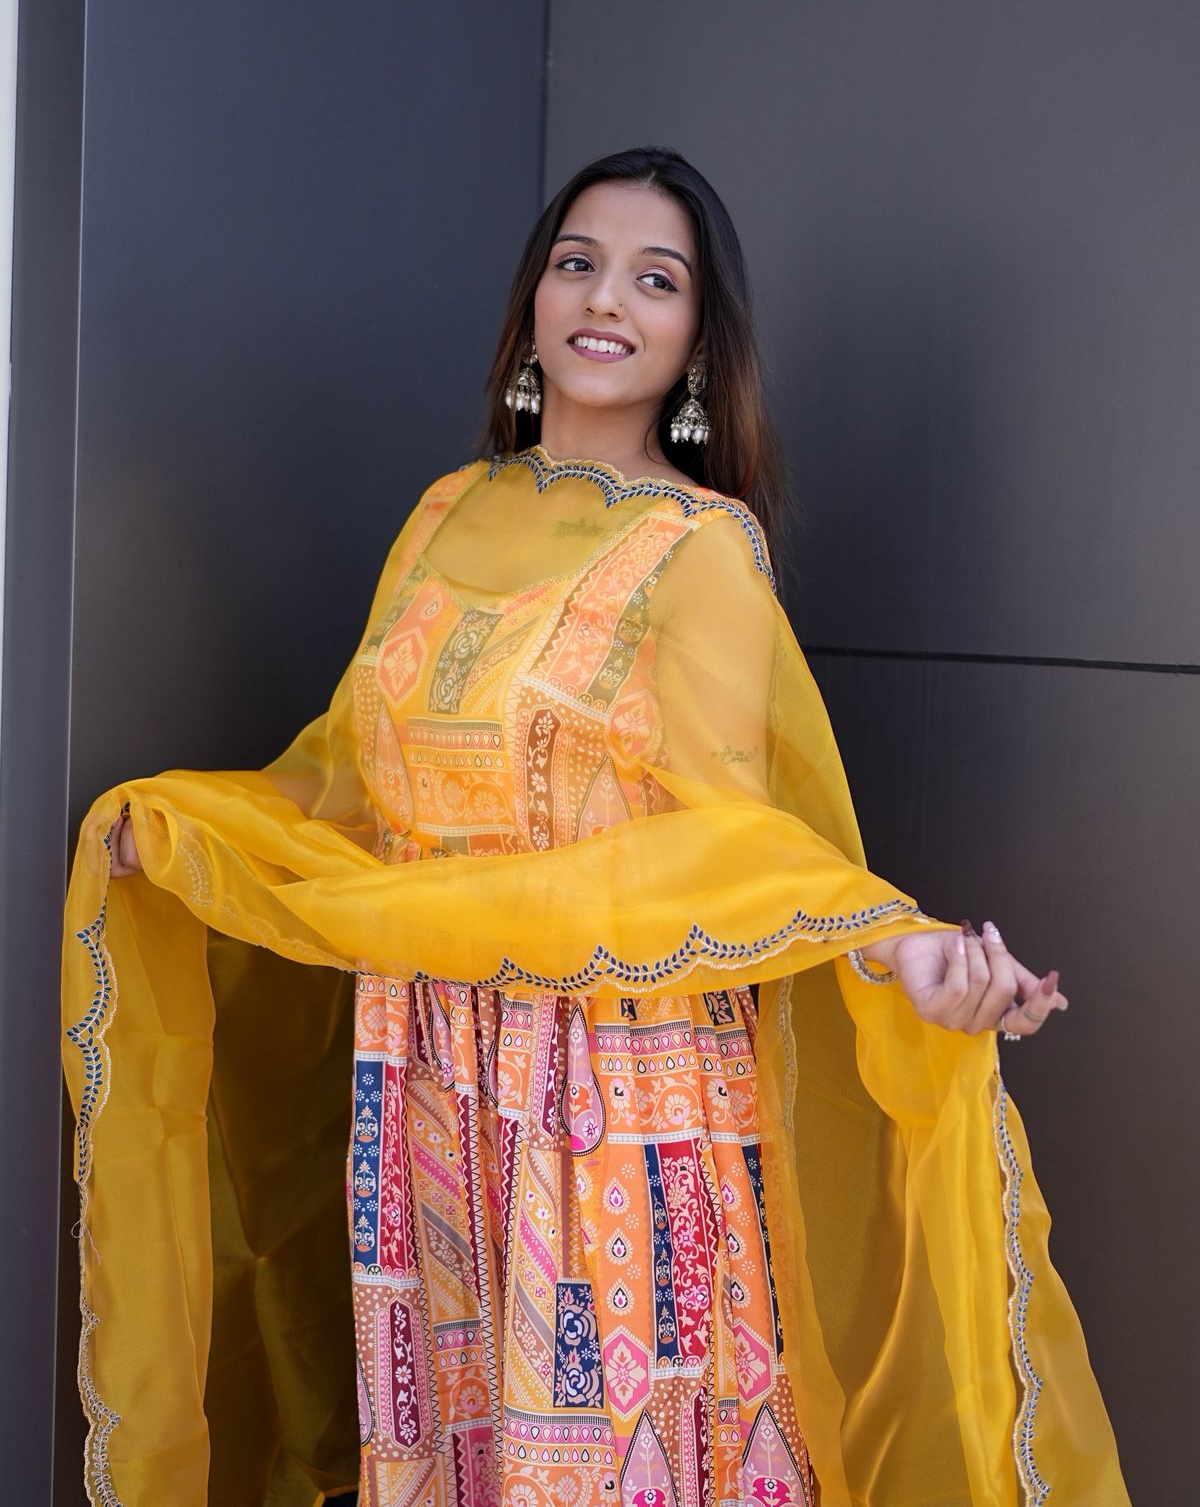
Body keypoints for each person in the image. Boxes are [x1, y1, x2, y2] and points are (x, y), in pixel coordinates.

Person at [63, 146, 1130, 1507]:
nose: (606, 297)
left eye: (655, 278)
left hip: (614, 1088)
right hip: (435, 1078)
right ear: (534, 303)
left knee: (612, 1464)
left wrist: (898, 947)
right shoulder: (446, 512)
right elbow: (347, 780)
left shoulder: (699, 549)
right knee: (458, 1454)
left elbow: (740, 842)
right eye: (578, 262)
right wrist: (187, 833)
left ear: (698, 343)